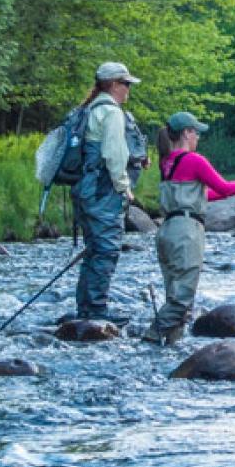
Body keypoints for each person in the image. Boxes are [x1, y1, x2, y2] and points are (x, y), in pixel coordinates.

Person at [142, 111, 235, 345]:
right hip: (186, 232)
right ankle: (149, 341)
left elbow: (202, 194)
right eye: (195, 132)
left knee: (175, 296)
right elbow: (223, 186)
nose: (198, 136)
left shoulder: (168, 162)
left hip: (167, 231)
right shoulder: (194, 160)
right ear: (186, 133)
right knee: (182, 299)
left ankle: (170, 347)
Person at [73, 61, 141, 321]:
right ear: (113, 85)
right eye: (126, 84)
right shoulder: (111, 112)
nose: (128, 90)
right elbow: (114, 155)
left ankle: (87, 311)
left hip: (86, 190)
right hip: (102, 192)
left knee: (94, 250)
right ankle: (96, 312)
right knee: (106, 250)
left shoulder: (90, 108)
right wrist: (125, 188)